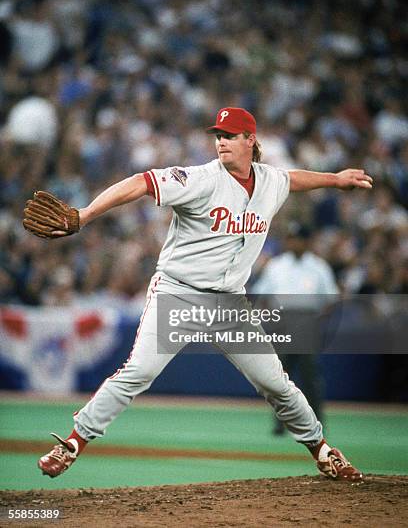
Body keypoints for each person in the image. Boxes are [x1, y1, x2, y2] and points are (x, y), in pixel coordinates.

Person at [30, 107, 372, 482]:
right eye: (218, 135)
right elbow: (141, 182)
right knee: (139, 371)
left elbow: (293, 179)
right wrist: (86, 213)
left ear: (250, 140)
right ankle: (73, 443)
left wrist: (335, 179)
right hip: (178, 293)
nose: (221, 141)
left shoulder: (270, 181)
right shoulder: (200, 179)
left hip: (229, 302)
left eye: (230, 134)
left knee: (276, 382)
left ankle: (324, 452)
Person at [252, 222, 339, 435]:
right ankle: (280, 424)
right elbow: (261, 295)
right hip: (283, 322)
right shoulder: (276, 265)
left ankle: (317, 423)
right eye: (290, 238)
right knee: (279, 378)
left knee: (310, 377)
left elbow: (331, 299)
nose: (293, 242)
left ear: (307, 241)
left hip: (308, 321)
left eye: (298, 238)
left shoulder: (318, 266)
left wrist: (317, 321)